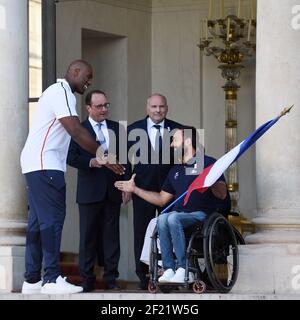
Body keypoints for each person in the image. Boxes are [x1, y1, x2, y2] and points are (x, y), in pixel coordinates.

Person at [20, 60, 124, 295]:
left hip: (36, 163)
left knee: (37, 223)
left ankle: (32, 279)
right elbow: (76, 131)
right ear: (75, 72)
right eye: (88, 76)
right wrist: (105, 156)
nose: (89, 81)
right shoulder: (62, 91)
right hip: (46, 165)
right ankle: (51, 279)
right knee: (52, 221)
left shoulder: (57, 92)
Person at [116, 126, 230, 283]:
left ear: (188, 140)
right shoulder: (175, 169)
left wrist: (209, 176)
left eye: (175, 139)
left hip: (202, 215)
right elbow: (162, 199)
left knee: (171, 218)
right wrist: (135, 189)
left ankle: (184, 269)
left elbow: (222, 194)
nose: (172, 144)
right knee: (162, 218)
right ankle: (169, 268)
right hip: (179, 216)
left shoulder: (209, 162)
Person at [67, 90, 125, 292]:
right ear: (88, 108)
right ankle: (87, 280)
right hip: (89, 192)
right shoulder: (79, 130)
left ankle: (111, 280)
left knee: (112, 238)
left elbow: (126, 160)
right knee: (88, 237)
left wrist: (126, 185)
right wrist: (91, 161)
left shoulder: (117, 129)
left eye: (106, 105)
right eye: (99, 106)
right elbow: (71, 157)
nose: (104, 109)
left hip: (113, 190)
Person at [125, 93, 183, 289]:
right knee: (141, 232)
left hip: (170, 191)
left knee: (170, 230)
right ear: (147, 107)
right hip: (142, 190)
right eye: (154, 106)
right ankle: (144, 276)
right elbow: (125, 161)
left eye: (162, 106)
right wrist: (126, 186)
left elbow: (188, 158)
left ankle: (171, 271)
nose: (158, 110)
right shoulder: (133, 129)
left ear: (167, 108)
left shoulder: (177, 129)